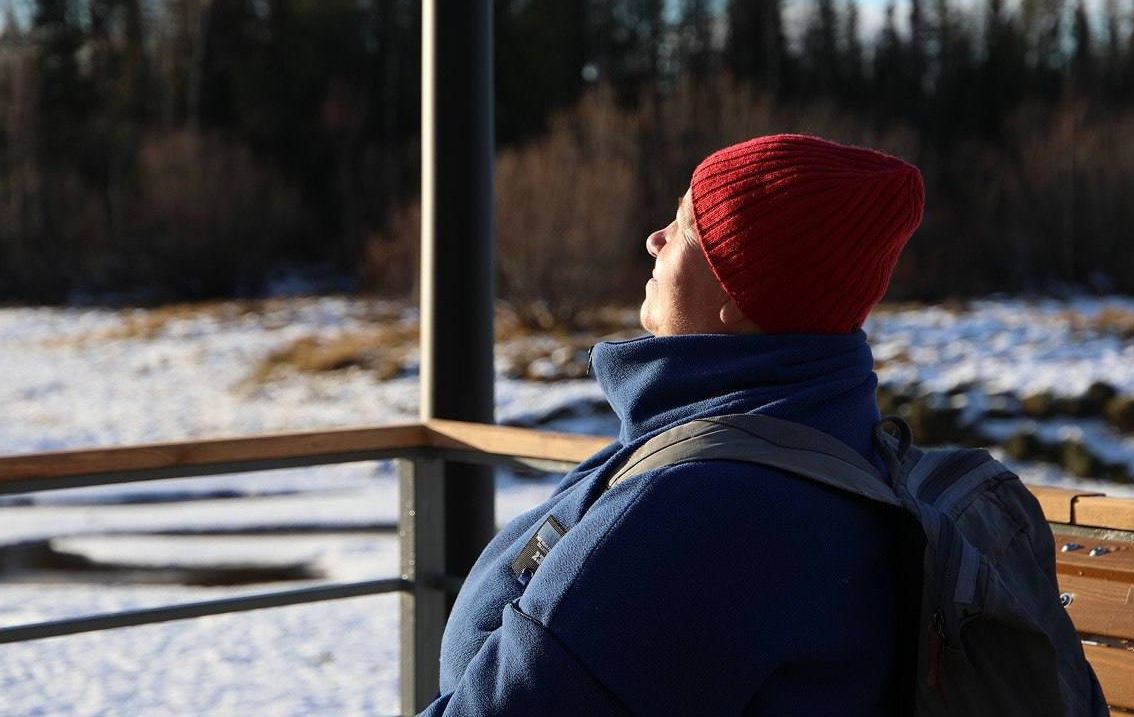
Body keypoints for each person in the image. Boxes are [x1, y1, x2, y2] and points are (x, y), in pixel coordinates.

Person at [418, 133, 925, 716]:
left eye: (685, 227)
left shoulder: (693, 513)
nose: (654, 239)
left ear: (739, 296)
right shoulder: (834, 442)